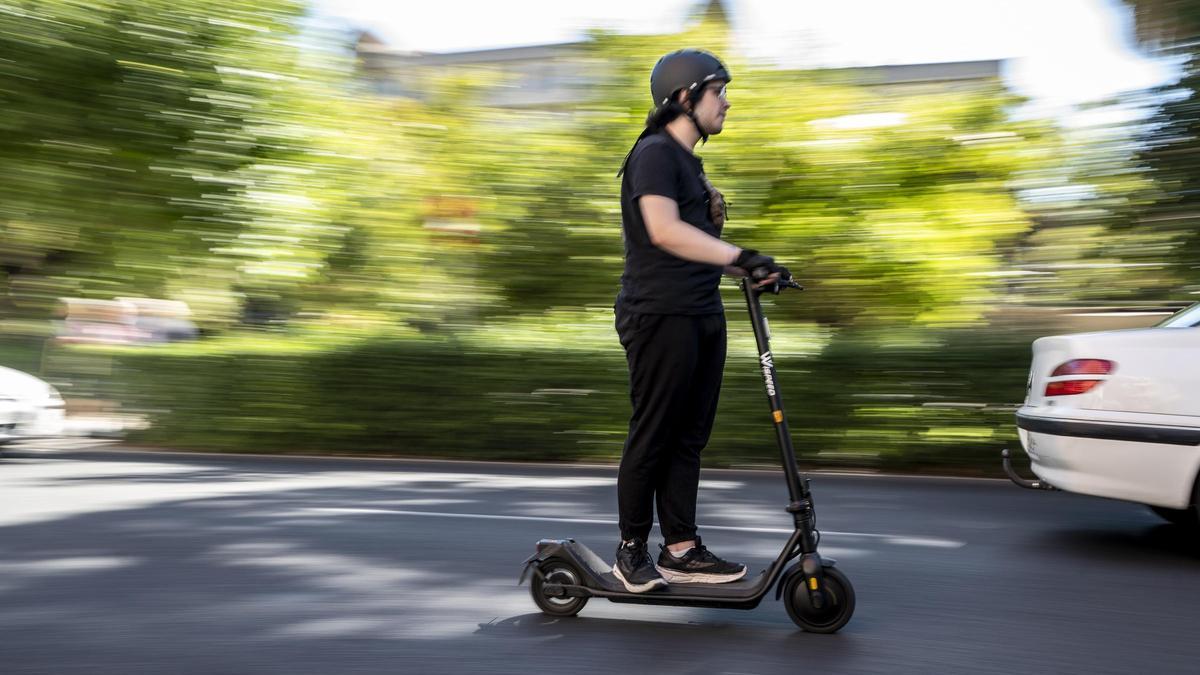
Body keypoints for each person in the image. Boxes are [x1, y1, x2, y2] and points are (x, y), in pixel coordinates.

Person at [612, 49, 790, 593]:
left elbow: (696, 245)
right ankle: (631, 550)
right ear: (684, 97)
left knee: (688, 437)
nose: (728, 102)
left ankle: (681, 549)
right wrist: (741, 256)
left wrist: (755, 271)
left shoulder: (689, 163)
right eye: (719, 92)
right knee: (655, 432)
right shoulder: (655, 154)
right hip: (659, 314)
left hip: (699, 311)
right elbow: (663, 231)